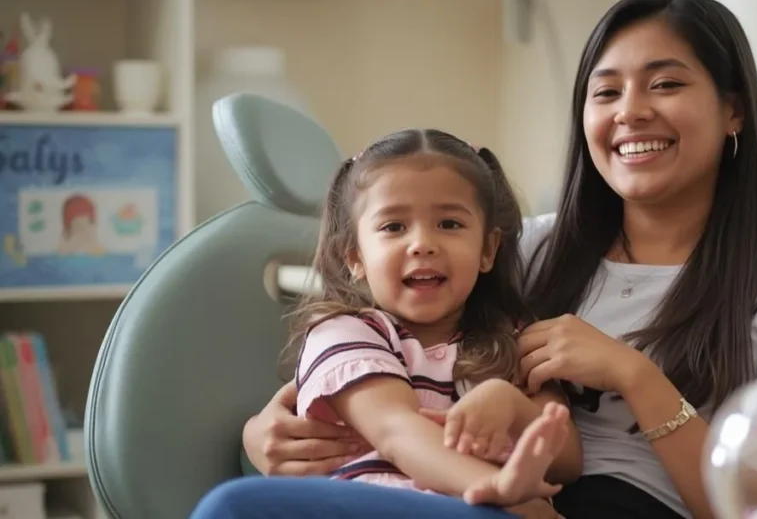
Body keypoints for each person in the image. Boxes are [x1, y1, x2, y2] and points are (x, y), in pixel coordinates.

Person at [192, 0, 757, 518]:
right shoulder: (525, 248)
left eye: (665, 84)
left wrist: (635, 377)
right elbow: (396, 362)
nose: (630, 112)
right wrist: (267, 431)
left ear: (734, 109)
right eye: (606, 91)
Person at [192, 129, 583, 519]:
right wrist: (494, 488)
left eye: (449, 224)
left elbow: (567, 461)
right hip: (387, 506)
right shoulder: (344, 332)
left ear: (487, 249)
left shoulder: (516, 341)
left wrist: (512, 405)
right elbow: (397, 430)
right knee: (228, 507)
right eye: (394, 227)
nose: (422, 243)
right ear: (355, 257)